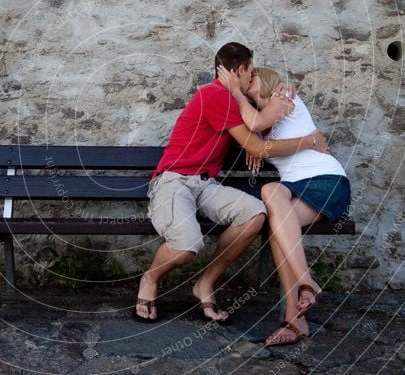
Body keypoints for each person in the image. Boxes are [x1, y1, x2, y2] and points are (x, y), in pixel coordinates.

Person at [134, 43, 329, 324]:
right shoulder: (215, 95)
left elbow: (259, 118)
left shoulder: (234, 99)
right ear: (240, 70)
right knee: (186, 246)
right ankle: (150, 278)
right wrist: (305, 141)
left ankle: (205, 283)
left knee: (255, 214)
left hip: (206, 185)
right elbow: (258, 143)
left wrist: (286, 85)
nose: (252, 79)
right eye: (250, 72)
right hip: (174, 181)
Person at [219, 65, 351, 346]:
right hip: (296, 188)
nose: (246, 83)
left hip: (326, 181)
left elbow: (255, 126)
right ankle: (302, 301)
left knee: (278, 225)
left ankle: (297, 313)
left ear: (267, 80)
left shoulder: (283, 96)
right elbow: (257, 132)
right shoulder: (264, 120)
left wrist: (235, 92)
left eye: (252, 77)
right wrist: (258, 147)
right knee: (271, 195)